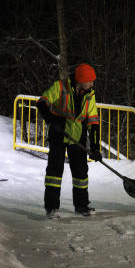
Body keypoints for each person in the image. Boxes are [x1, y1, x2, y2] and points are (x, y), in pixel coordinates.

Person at [37, 63, 102, 218]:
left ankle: (81, 206)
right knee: (55, 171)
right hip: (59, 134)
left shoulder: (89, 95)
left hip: (77, 137)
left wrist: (95, 147)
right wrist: (52, 120)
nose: (92, 84)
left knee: (81, 172)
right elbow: (42, 102)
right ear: (81, 80)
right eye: (90, 81)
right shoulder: (61, 87)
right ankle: (52, 208)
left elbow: (93, 121)